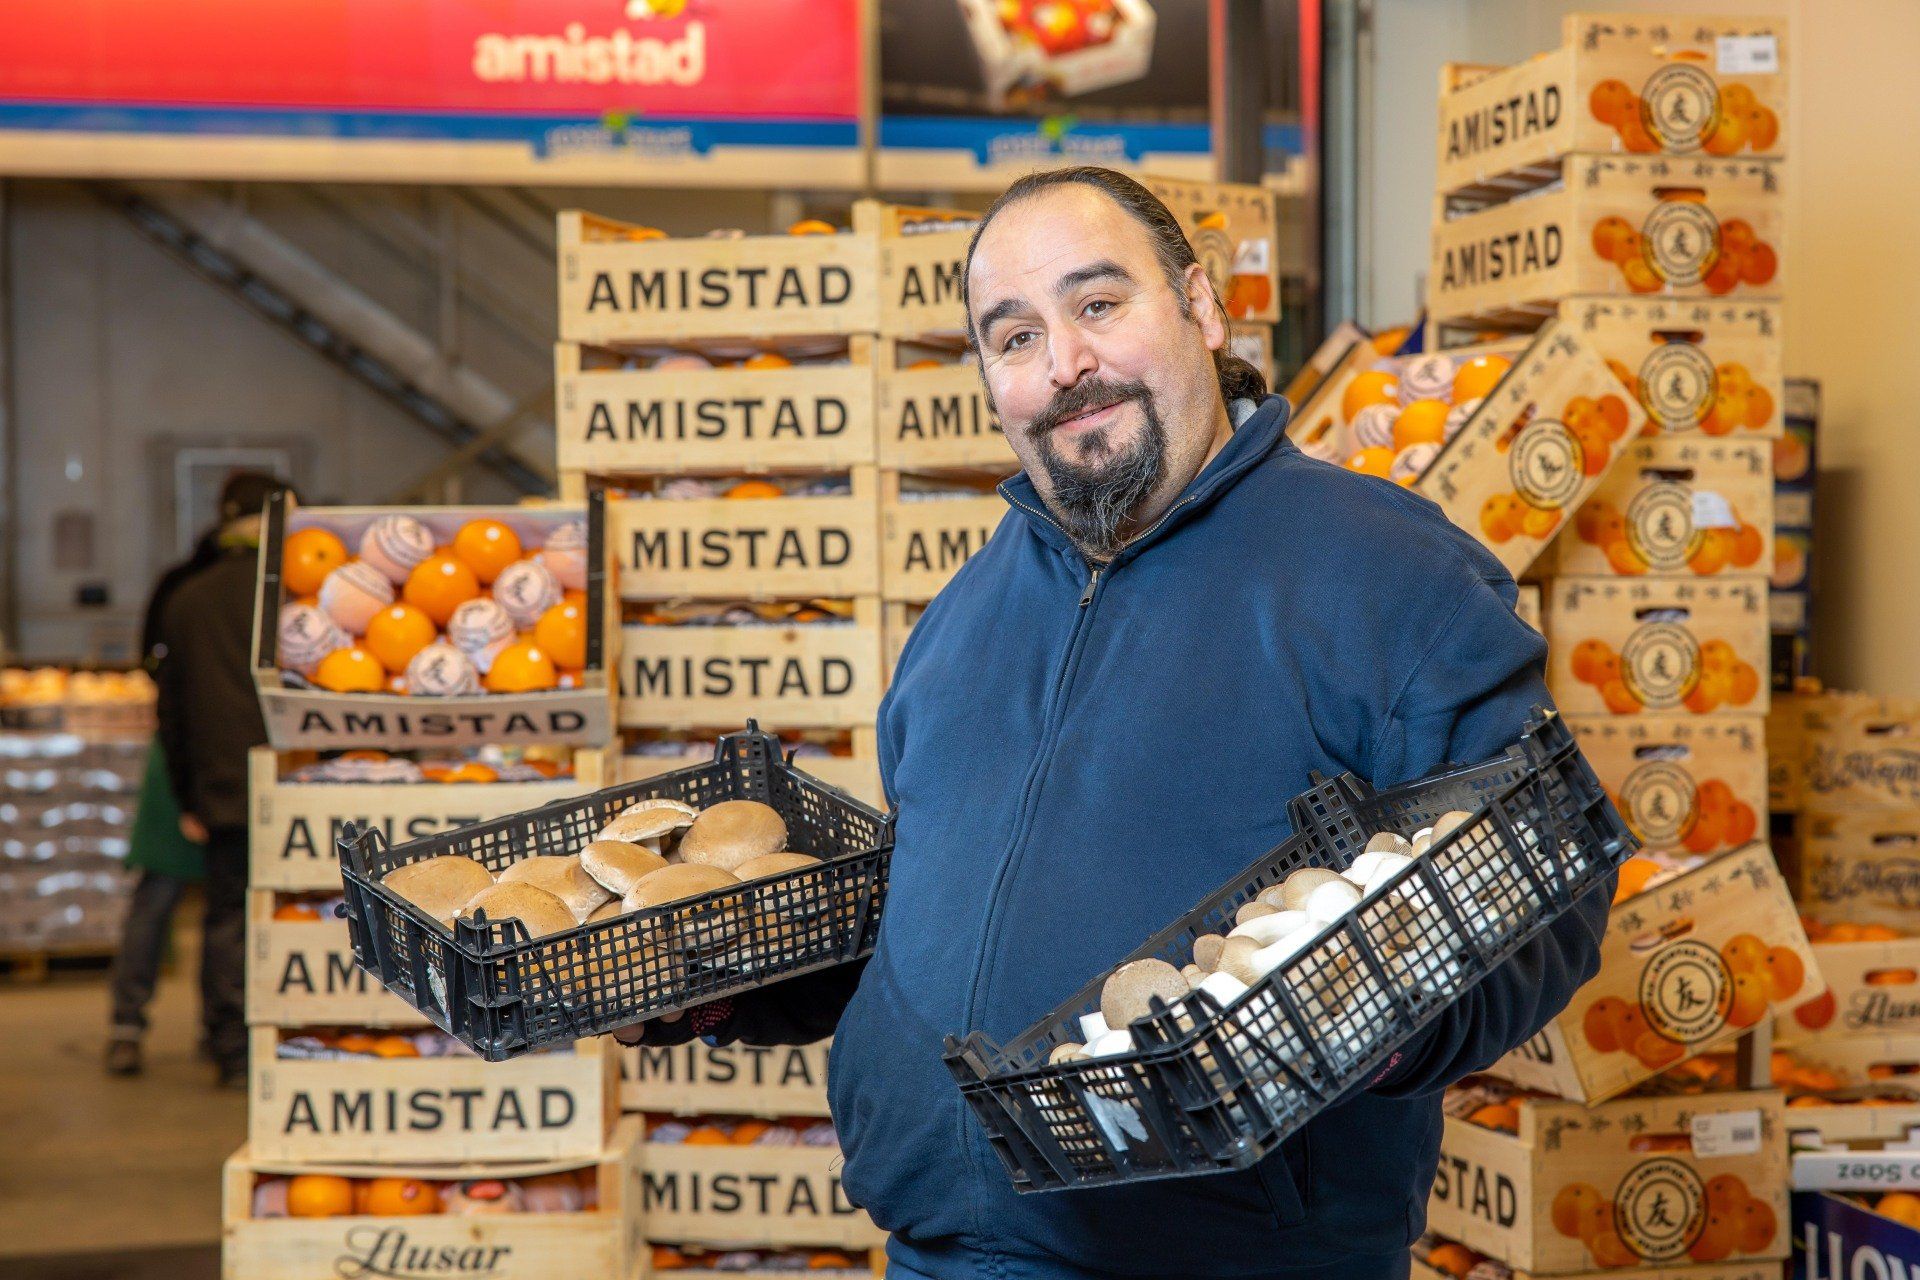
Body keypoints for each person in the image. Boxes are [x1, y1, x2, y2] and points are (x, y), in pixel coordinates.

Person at [617, 169, 1614, 1279]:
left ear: (1201, 307)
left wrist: (1358, 1022)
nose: (1065, 362)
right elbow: (939, 928)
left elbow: (1551, 895)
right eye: (1015, 336)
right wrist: (728, 983)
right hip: (937, 1256)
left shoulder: (1386, 573)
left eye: (1098, 304)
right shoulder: (965, 614)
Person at [151, 471, 288, 1088]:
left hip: (224, 788)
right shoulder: (298, 596)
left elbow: (171, 712)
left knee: (228, 916)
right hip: (299, 786)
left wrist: (188, 795)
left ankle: (228, 1045)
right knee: (309, 909)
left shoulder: (186, 599)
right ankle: (304, 1032)